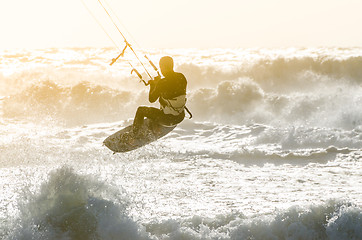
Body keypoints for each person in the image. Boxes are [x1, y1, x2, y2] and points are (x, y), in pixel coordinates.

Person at [132, 56, 187, 135]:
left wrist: (153, 85)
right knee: (163, 104)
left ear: (163, 67)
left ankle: (135, 136)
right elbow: (173, 90)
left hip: (168, 120)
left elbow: (151, 99)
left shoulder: (162, 83)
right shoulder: (181, 77)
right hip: (180, 116)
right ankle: (156, 126)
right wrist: (158, 83)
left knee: (141, 110)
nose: (161, 70)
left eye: (161, 68)